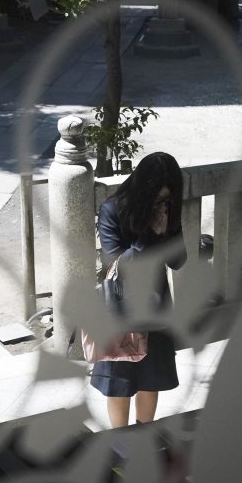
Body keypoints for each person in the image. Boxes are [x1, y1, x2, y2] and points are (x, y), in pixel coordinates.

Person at [90, 152, 187, 427]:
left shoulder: (169, 212)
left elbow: (178, 262)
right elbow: (117, 265)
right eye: (157, 198)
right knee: (119, 383)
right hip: (119, 308)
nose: (162, 203)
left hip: (155, 306)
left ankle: (145, 435)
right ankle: (120, 441)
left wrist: (170, 230)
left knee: (150, 379)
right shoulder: (112, 210)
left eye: (167, 199)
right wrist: (147, 235)